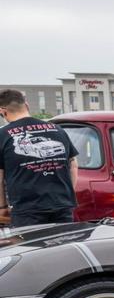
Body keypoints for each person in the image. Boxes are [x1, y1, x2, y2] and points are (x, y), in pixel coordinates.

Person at [0, 89, 79, 227]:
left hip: (27, 210)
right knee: (63, 247)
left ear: (3, 111)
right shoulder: (57, 129)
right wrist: (67, 195)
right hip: (62, 206)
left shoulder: (3, 135)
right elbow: (73, 165)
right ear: (27, 105)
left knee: (32, 248)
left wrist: (2, 207)